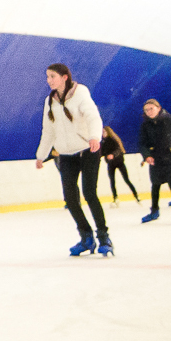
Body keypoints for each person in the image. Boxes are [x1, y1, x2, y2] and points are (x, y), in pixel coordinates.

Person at [33, 64, 109, 257]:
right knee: (70, 198)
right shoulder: (49, 101)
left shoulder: (80, 92)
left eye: (52, 76)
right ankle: (86, 237)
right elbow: (48, 131)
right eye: (47, 77)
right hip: (66, 155)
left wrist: (94, 137)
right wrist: (41, 155)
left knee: (89, 193)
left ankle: (104, 237)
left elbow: (93, 116)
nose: (49, 80)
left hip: (88, 150)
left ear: (65, 77)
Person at [99, 127, 138, 204]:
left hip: (119, 162)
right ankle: (115, 198)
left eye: (104, 132)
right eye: (102, 132)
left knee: (126, 179)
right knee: (112, 181)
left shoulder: (113, 140)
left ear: (108, 132)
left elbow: (118, 150)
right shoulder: (103, 142)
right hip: (110, 164)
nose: (103, 134)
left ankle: (136, 195)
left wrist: (113, 155)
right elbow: (102, 152)